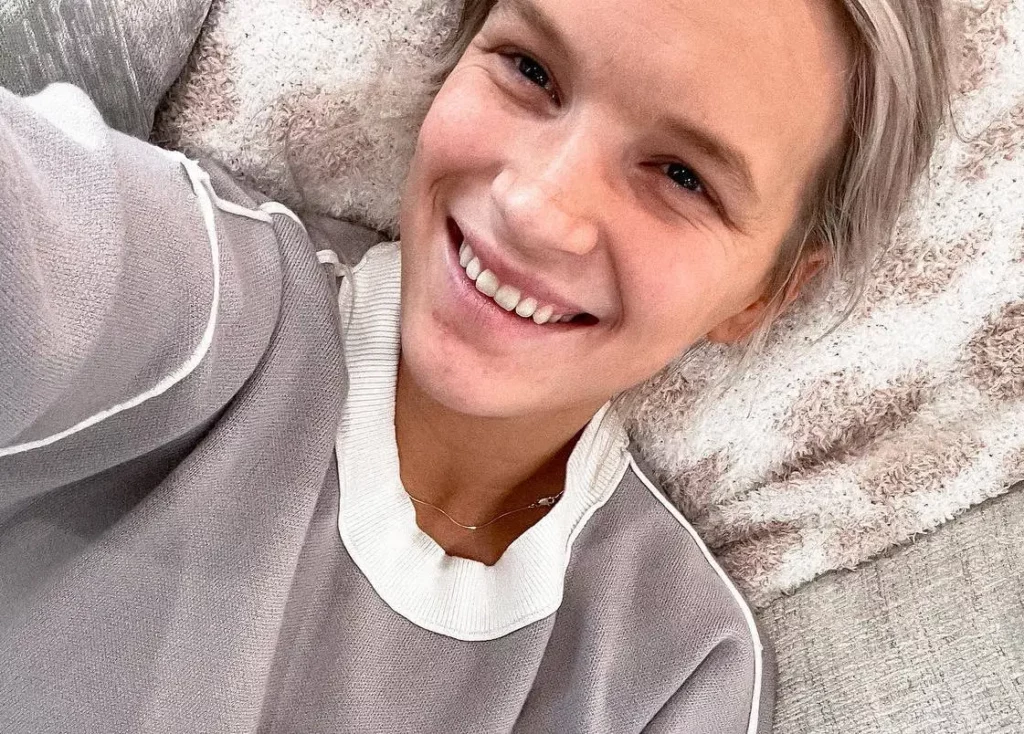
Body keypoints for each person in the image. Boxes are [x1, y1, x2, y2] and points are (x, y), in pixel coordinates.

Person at [0, 0, 949, 731]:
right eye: (531, 70)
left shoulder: (674, 675)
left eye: (681, 176)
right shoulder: (204, 299)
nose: (536, 208)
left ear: (766, 294)